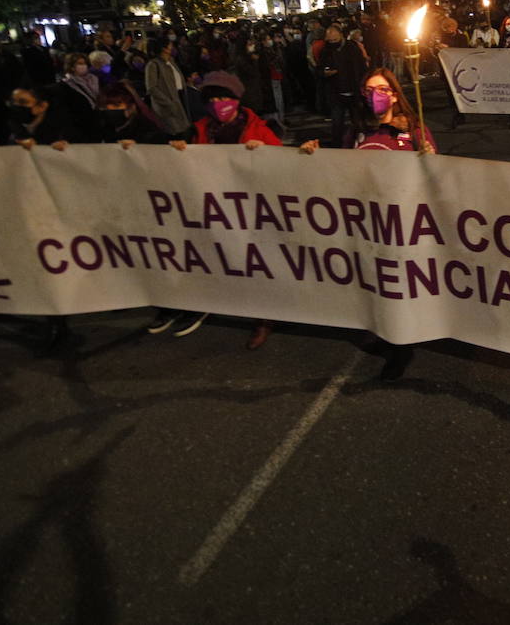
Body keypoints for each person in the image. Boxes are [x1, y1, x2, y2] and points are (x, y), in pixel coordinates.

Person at [298, 68, 433, 380]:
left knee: (400, 286)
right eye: (371, 89)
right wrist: (315, 155)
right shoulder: (358, 130)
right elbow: (343, 168)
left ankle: (401, 348)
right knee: (375, 282)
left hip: (402, 225)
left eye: (383, 88)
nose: (377, 94)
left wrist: (429, 157)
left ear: (396, 94)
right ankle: (384, 334)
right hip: (367, 223)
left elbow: (434, 176)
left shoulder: (413, 130)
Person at [161, 71, 282, 348]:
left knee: (256, 265)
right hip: (215, 207)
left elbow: (281, 167)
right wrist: (179, 149)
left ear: (236, 100)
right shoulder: (200, 129)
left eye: (224, 98)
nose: (218, 103)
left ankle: (263, 319)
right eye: (212, 99)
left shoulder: (257, 128)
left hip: (251, 209)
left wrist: (264, 154)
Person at [319, 24, 369, 147]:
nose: (332, 42)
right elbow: (319, 69)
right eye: (329, 40)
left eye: (334, 40)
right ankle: (337, 146)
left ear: (341, 35)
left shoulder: (352, 47)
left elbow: (362, 68)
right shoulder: (326, 50)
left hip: (354, 91)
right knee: (337, 123)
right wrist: (324, 73)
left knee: (358, 121)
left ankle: (362, 143)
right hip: (336, 93)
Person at [144, 37, 192, 137]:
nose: (173, 47)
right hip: (167, 105)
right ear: (164, 48)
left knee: (184, 131)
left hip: (179, 98)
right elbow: (152, 88)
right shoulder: (153, 65)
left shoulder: (171, 62)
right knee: (173, 132)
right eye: (170, 45)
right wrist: (168, 103)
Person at [58, 52, 102, 142]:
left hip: (96, 121)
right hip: (80, 126)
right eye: (79, 63)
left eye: (84, 63)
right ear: (71, 66)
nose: (83, 66)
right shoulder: (66, 84)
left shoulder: (94, 79)